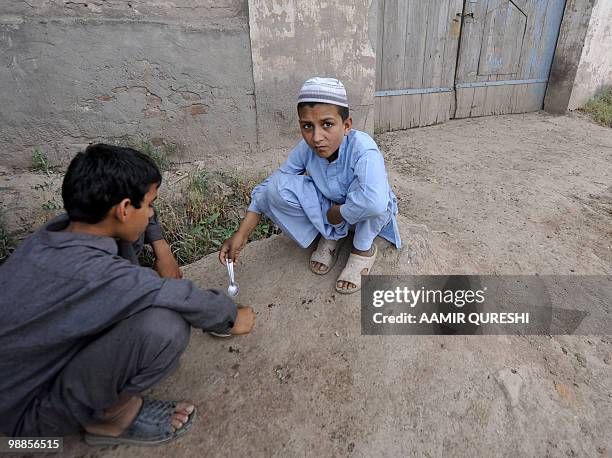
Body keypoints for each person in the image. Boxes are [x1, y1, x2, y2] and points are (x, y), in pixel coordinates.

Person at [0, 144, 256, 445]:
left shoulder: (61, 231)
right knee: (164, 328)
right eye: (148, 205)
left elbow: (139, 216)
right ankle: (110, 419)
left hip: (25, 373)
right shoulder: (99, 274)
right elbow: (177, 295)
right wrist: (230, 317)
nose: (151, 213)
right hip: (23, 417)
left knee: (128, 241)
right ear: (123, 209)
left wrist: (161, 249)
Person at [220, 77, 401, 294]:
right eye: (307, 126)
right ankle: (332, 235)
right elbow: (271, 185)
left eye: (327, 124)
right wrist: (242, 233)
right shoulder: (306, 149)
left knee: (372, 198)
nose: (316, 137)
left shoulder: (363, 150)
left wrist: (340, 212)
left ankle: (362, 249)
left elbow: (375, 202)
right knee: (278, 187)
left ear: (346, 125)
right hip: (331, 214)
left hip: (366, 215)